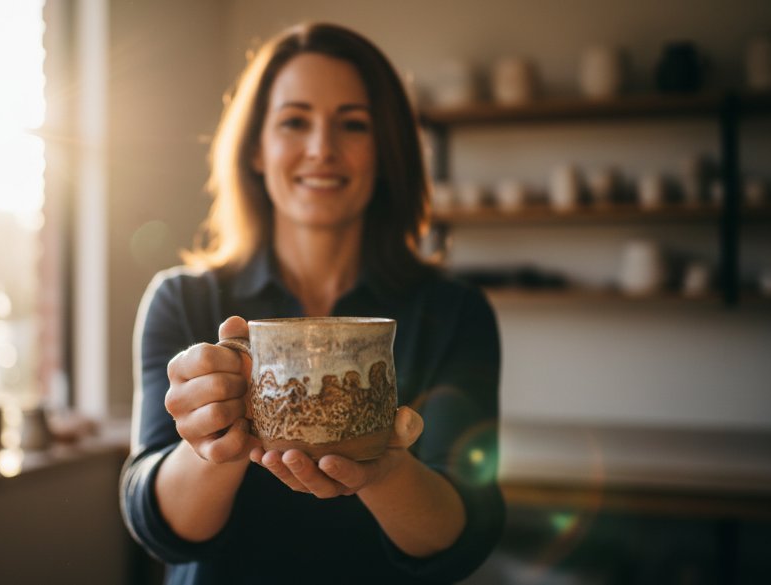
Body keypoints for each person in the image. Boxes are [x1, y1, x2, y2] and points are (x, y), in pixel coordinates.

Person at [121, 21, 503, 584]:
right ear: (256, 149)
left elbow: (463, 535)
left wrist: (383, 470)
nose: (322, 149)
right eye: (294, 121)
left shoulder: (453, 313)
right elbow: (158, 526)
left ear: (386, 152)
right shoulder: (183, 299)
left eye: (353, 124)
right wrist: (213, 444)